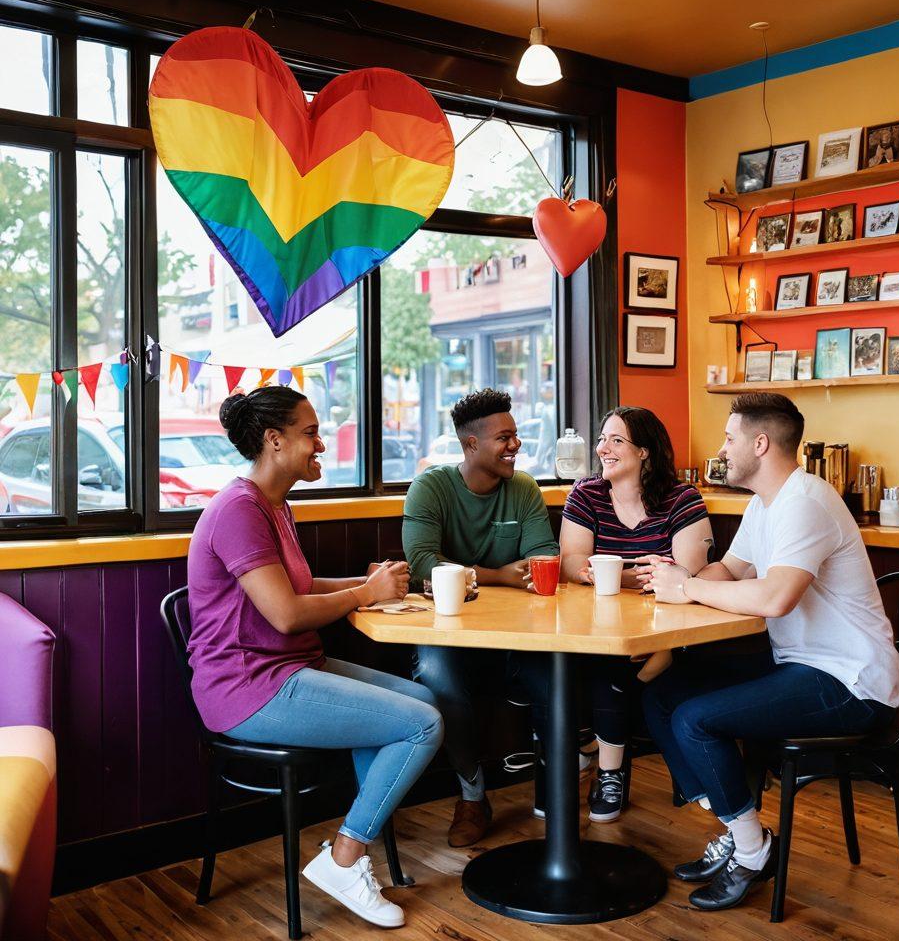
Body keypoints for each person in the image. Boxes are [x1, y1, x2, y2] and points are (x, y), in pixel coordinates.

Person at [187, 386, 443, 929]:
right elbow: (284, 614)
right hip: (246, 688)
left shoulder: (273, 504)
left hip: (287, 669)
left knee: (420, 698)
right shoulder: (239, 510)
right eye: (310, 433)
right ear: (274, 441)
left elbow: (295, 585)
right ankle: (345, 858)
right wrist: (364, 595)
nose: (321, 443)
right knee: (421, 725)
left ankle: (355, 847)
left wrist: (368, 582)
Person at [643, 392, 899, 912]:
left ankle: (752, 852)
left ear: (760, 443)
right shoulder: (766, 503)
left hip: (850, 682)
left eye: (729, 438)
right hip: (800, 666)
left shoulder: (805, 502)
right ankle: (739, 832)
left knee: (695, 719)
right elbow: (732, 572)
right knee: (663, 686)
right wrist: (673, 582)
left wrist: (688, 591)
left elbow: (776, 598)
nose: (722, 448)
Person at [402, 388, 559, 846]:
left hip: (516, 633)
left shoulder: (524, 488)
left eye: (516, 436)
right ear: (471, 445)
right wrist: (498, 576)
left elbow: (542, 559)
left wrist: (518, 575)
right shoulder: (431, 487)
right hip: (446, 633)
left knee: (558, 669)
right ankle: (472, 796)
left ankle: (556, 777)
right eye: (504, 438)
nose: (515, 446)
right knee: (436, 674)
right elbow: (421, 565)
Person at [560, 406, 712, 822]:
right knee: (571, 666)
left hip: (671, 629)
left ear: (644, 452)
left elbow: (687, 573)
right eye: (602, 439)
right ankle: (600, 753)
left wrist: (611, 571)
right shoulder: (586, 493)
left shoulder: (681, 498)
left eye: (616, 440)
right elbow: (571, 560)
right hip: (599, 625)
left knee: (613, 672)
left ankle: (607, 768)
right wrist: (622, 577)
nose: (602, 449)